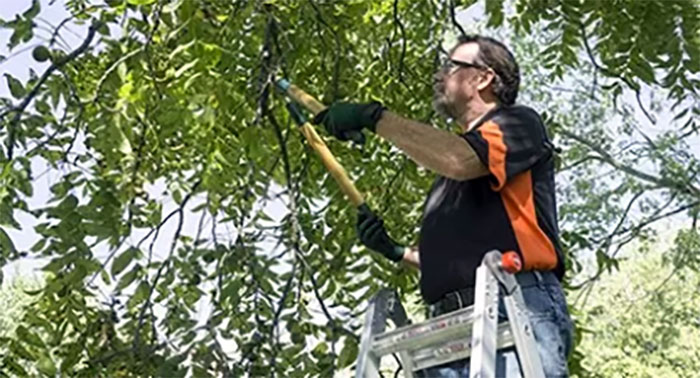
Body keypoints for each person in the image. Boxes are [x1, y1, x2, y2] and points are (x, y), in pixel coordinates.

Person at [313, 35, 573, 377]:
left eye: (452, 66)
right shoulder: (449, 177)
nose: (440, 75)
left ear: (483, 78)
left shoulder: (517, 124)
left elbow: (459, 158)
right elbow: (458, 262)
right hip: (450, 327)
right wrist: (395, 251)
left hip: (514, 306)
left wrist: (373, 117)